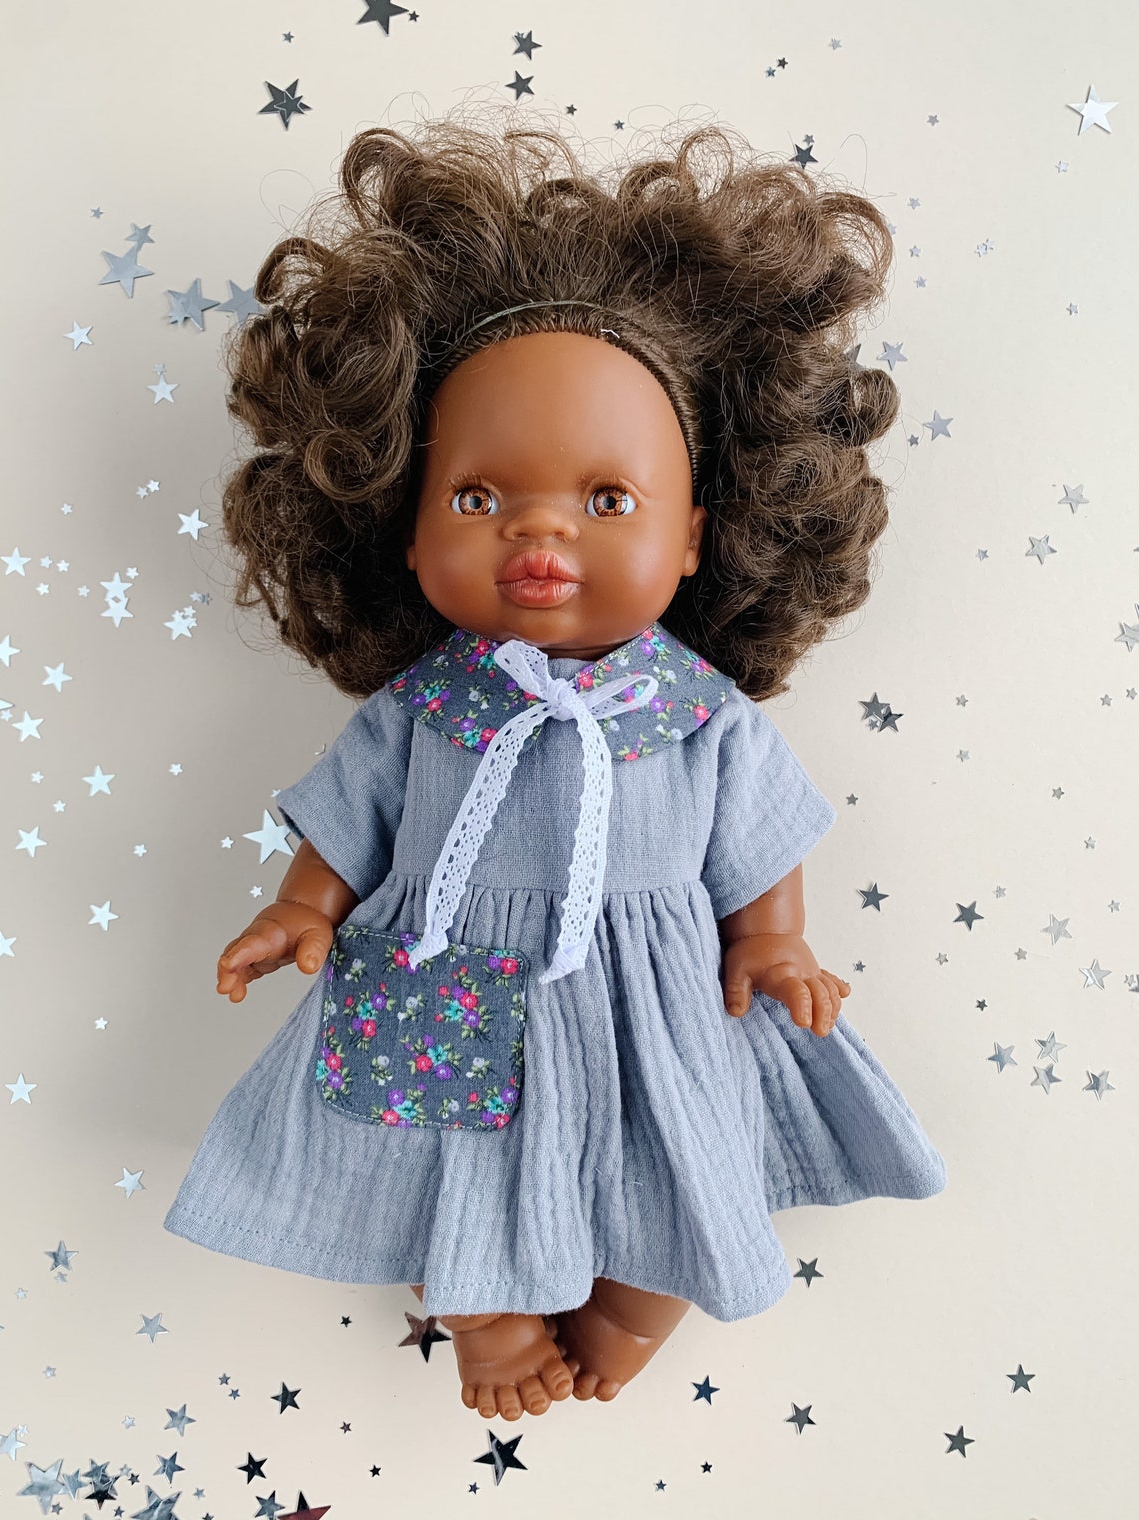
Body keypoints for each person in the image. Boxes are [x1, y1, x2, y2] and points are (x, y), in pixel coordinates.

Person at [163, 110, 947, 1422]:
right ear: (406, 533)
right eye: (478, 498)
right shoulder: (426, 708)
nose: (539, 529)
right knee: (439, 1159)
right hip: (443, 970)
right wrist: (302, 908)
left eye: (606, 499)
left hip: (654, 992)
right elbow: (349, 823)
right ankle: (489, 1319)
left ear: (694, 537)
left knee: (680, 1168)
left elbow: (761, 840)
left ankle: (628, 1319)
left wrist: (771, 942)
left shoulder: (700, 716)